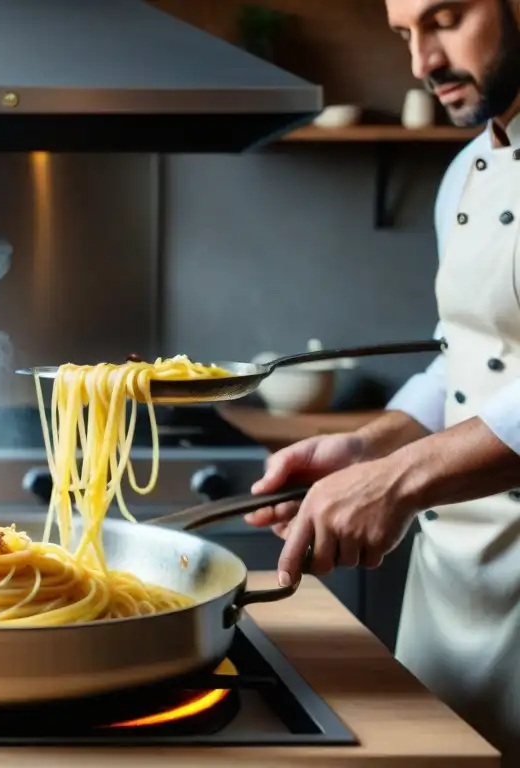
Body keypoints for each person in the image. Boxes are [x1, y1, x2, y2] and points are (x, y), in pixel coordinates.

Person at [245, 0, 520, 757]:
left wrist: (398, 482)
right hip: (455, 591)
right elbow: (466, 360)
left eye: (446, 19)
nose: (422, 64)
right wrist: (372, 446)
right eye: (406, 34)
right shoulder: (466, 171)